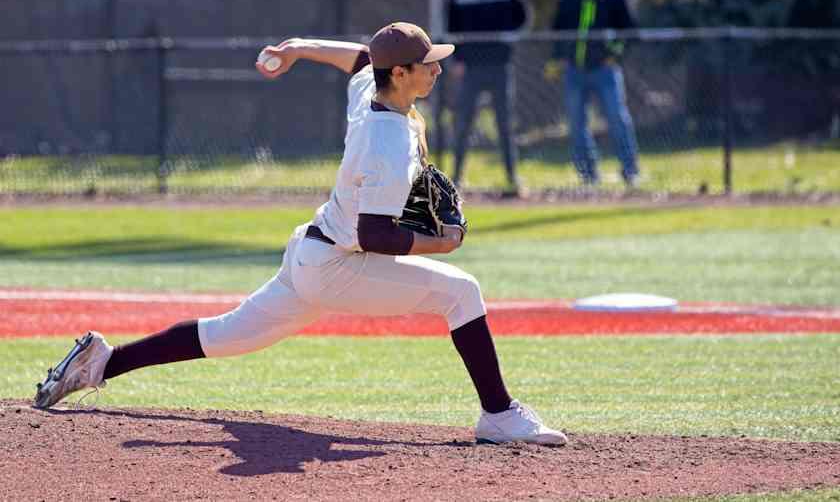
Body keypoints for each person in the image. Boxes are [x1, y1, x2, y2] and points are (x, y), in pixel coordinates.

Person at [33, 22, 567, 447]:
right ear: (402, 73)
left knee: (224, 336)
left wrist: (300, 46)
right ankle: (498, 414)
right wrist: (442, 243)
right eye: (428, 65)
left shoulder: (374, 93)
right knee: (461, 290)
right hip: (338, 264)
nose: (436, 71)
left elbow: (359, 58)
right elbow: (377, 236)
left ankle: (102, 361)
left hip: (312, 252)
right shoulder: (385, 143)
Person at [548, 0, 640, 188]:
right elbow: (557, 30)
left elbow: (629, 31)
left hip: (605, 70)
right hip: (575, 71)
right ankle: (588, 174)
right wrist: (559, 57)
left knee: (617, 118)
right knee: (578, 123)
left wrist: (615, 55)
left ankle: (630, 170)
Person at [447, 0, 528, 195]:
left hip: (499, 67)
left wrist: (508, 41)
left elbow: (521, 18)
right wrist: (458, 60)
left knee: (504, 123)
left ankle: (512, 178)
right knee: (463, 122)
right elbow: (453, 31)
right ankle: (456, 177)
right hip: (471, 69)